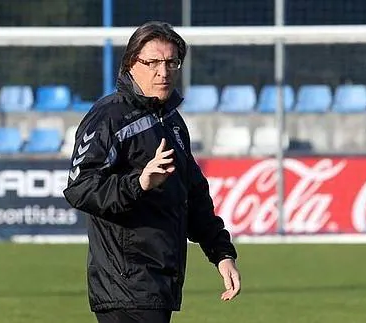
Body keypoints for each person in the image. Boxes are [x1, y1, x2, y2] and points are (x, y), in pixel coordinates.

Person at [63, 21, 241, 323]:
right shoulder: (109, 117)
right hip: (125, 281)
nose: (164, 71)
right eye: (153, 62)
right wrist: (139, 182)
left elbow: (194, 195)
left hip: (160, 279)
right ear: (132, 63)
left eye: (172, 62)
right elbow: (81, 187)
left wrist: (221, 253)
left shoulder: (170, 122)